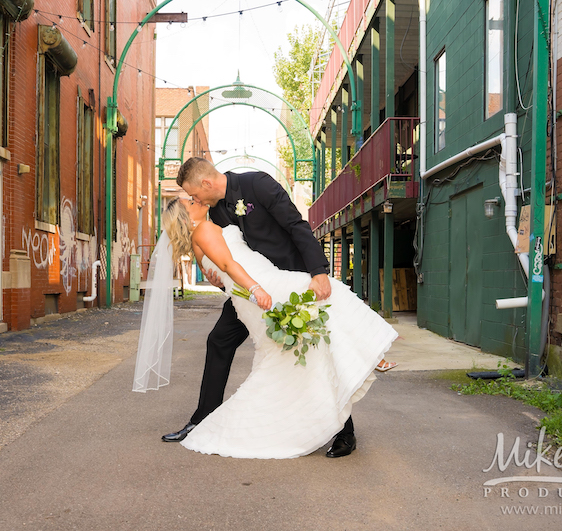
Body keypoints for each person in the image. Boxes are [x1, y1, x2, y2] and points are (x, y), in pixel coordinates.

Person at [159, 157, 396, 457]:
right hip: (250, 292)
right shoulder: (213, 210)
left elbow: (296, 225)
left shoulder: (257, 184)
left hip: (284, 281)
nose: (195, 200)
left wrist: (318, 271)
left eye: (194, 194)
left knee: (315, 350)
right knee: (218, 340)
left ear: (206, 183)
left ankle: (344, 432)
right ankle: (202, 420)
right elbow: (223, 256)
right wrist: (218, 276)